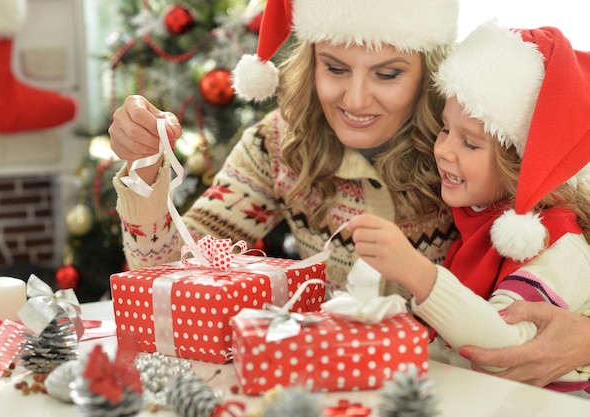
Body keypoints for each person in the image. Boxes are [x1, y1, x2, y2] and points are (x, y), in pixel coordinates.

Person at [110, 0, 460, 298]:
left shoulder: (470, 145)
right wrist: (145, 166)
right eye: (335, 68)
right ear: (311, 63)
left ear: (429, 75)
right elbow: (168, 274)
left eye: (387, 75)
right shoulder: (279, 142)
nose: (356, 100)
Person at [348, 21, 590, 395]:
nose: (443, 150)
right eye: (445, 129)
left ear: (522, 165)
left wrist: (418, 274)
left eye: (470, 144)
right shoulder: (479, 220)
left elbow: (503, 349)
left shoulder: (555, 244)